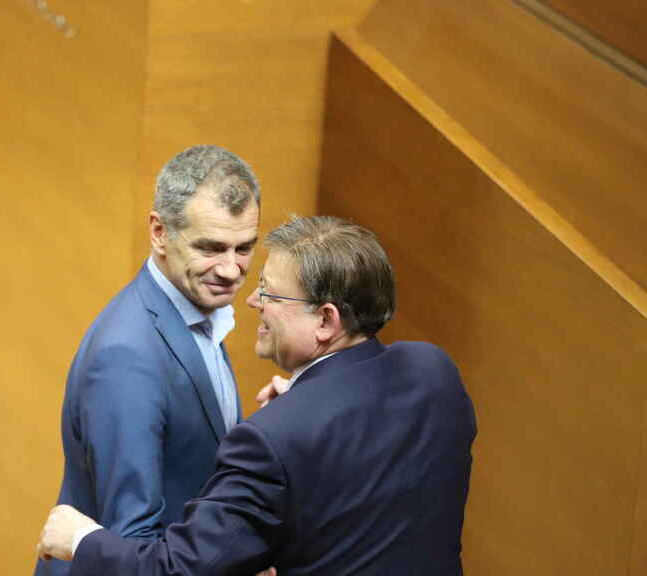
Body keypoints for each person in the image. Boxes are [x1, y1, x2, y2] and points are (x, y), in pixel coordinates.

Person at [37, 215, 477, 575]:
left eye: (269, 292)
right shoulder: (434, 373)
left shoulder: (273, 440)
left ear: (325, 320)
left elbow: (181, 569)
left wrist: (82, 540)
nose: (253, 303)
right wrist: (305, 404)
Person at [35, 145, 262, 575]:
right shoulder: (127, 358)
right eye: (211, 247)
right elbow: (129, 538)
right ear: (159, 233)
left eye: (244, 248)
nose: (231, 270)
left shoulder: (199, 311)